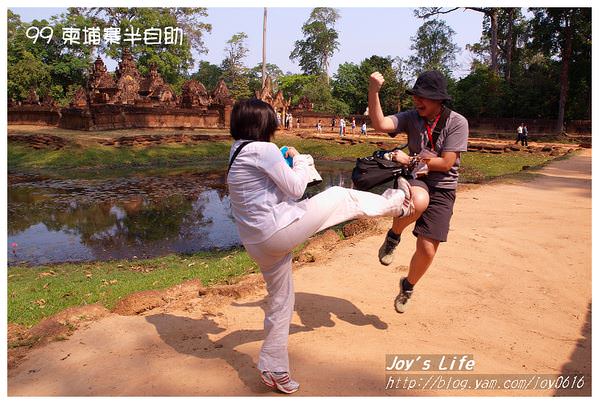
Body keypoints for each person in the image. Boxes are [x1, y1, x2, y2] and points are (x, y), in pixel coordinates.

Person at [227, 99, 414, 393]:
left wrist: (284, 160)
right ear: (263, 124)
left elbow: (267, 188)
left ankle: (274, 368)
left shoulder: (236, 150)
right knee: (341, 195)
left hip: (256, 243)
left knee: (281, 302)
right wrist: (301, 158)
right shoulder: (262, 149)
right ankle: (397, 205)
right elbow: (296, 188)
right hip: (276, 232)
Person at [368, 70, 469, 313]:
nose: (417, 101)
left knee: (427, 249)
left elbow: (445, 163)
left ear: (439, 100)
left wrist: (409, 160)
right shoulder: (412, 117)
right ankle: (394, 236)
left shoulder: (457, 123)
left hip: (444, 187)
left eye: (424, 97)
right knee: (419, 201)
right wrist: (373, 91)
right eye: (416, 96)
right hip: (418, 181)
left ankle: (408, 285)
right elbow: (381, 124)